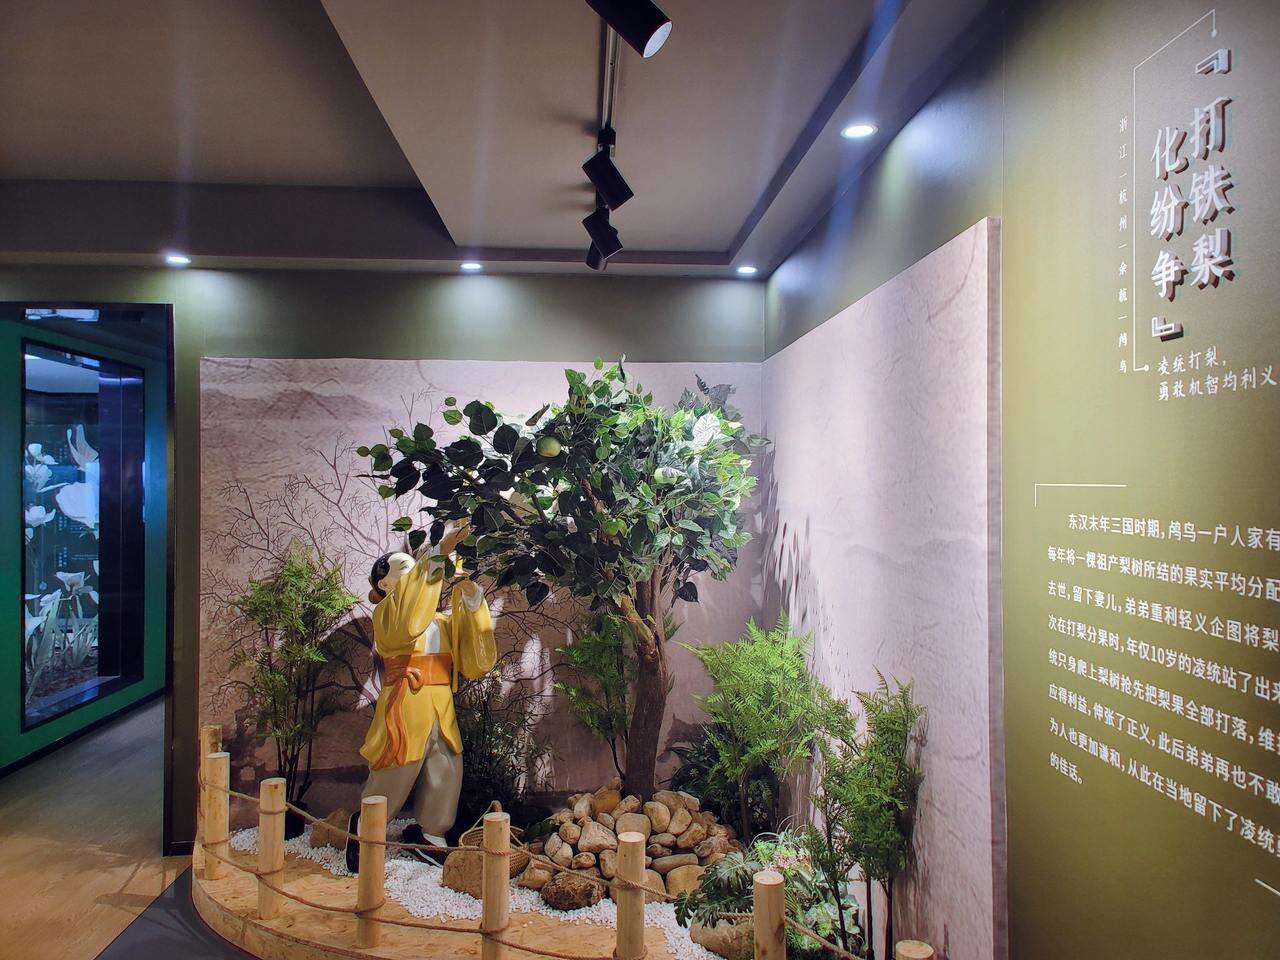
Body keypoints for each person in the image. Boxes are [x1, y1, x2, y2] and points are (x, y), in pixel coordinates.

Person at [345, 525, 495, 870]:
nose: (413, 570)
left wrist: (471, 597)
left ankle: (432, 833)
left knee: (446, 766)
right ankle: (367, 827)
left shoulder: (439, 621)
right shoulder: (388, 615)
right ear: (385, 586)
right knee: (398, 766)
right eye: (403, 568)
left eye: (414, 567)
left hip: (441, 702)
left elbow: (472, 656)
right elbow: (409, 619)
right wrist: (439, 553)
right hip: (406, 701)